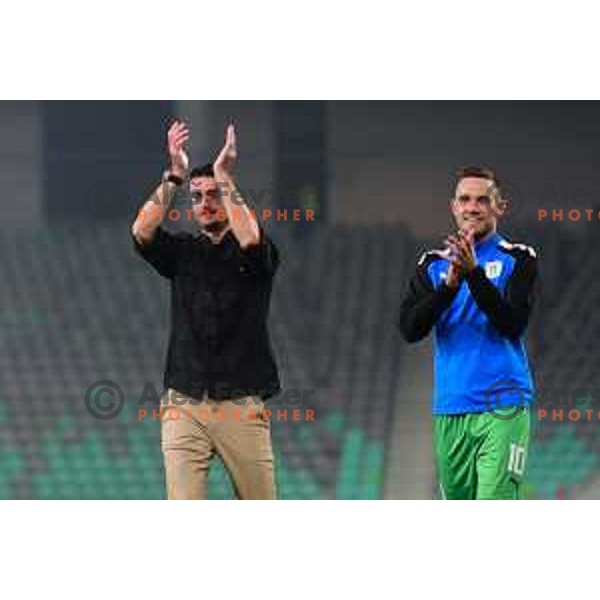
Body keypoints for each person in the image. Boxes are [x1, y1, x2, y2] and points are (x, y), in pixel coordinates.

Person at [131, 120, 280, 499]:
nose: (205, 203)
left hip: (241, 404)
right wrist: (175, 175)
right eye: (197, 197)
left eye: (213, 194)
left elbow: (249, 238)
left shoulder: (257, 248)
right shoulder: (183, 252)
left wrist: (223, 174)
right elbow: (141, 231)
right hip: (184, 404)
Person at [399, 166, 538, 500]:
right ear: (453, 207)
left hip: (503, 403)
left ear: (499, 207)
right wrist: (449, 285)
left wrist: (474, 274)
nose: (472, 207)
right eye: (465, 199)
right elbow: (410, 329)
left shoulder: (518, 258)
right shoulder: (431, 264)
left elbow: (513, 323)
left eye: (482, 200)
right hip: (450, 405)